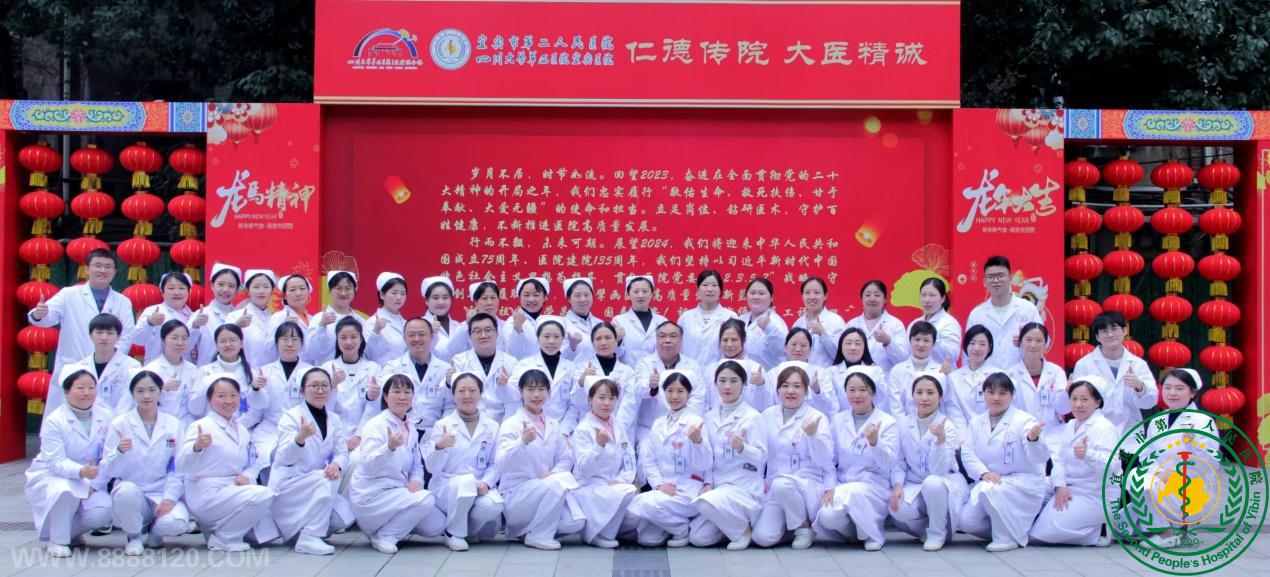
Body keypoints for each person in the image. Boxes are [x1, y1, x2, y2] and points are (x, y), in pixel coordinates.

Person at [348, 374, 448, 553]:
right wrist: (389, 448)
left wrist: (417, 480)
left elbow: (417, 464)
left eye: (407, 392)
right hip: (373, 494)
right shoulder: (375, 425)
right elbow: (368, 465)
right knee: (426, 499)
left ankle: (391, 526)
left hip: (397, 493)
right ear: (386, 397)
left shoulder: (411, 428)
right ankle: (386, 536)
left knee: (437, 525)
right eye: (396, 391)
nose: (402, 397)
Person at [178, 374, 277, 552]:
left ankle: (218, 530)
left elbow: (252, 461)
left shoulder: (241, 430)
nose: (228, 401)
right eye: (221, 396)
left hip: (231, 489)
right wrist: (196, 447)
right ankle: (224, 537)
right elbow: (182, 464)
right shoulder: (201, 426)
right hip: (206, 491)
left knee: (265, 521)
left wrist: (247, 476)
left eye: (233, 395)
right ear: (210, 399)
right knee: (263, 494)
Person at [25, 368, 113, 558]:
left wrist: (94, 483)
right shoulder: (55, 420)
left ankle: (70, 533)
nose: (87, 393)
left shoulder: (106, 416)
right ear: (66, 391)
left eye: (91, 387)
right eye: (80, 388)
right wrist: (81, 472)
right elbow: (55, 462)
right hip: (54, 476)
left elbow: (109, 457)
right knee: (66, 490)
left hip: (92, 477)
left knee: (103, 511)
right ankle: (58, 541)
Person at [102, 370, 191, 555]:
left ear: (160, 391)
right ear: (132, 393)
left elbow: (179, 466)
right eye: (140, 391)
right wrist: (119, 452)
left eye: (152, 390)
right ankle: (134, 536)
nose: (146, 396)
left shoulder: (173, 425)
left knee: (177, 523)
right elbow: (108, 469)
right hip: (132, 491)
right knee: (125, 492)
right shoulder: (120, 424)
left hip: (161, 491)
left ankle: (154, 534)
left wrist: (170, 497)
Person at [958, 372, 1049, 552]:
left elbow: (1040, 457)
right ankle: (1013, 529)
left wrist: (1033, 440)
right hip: (991, 480)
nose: (996, 398)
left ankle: (1005, 538)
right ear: (984, 394)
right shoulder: (976, 422)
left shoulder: (1024, 420)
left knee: (988, 489)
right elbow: (968, 453)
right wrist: (983, 473)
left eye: (1002, 393)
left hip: (1022, 483)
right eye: (991, 392)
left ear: (1012, 395)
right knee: (966, 521)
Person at [28, 248, 135, 401]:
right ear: (86, 269)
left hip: (109, 369)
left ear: (114, 272)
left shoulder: (123, 302)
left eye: (108, 266)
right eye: (97, 265)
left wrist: (110, 360)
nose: (102, 270)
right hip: (74, 364)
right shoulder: (68, 294)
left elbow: (126, 335)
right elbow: (48, 317)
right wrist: (39, 314)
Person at [495, 369, 585, 550]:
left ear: (548, 392)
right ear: (520, 392)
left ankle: (526, 532)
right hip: (518, 493)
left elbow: (566, 458)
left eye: (542, 389)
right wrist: (521, 442)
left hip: (547, 488)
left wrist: (553, 474)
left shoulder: (553, 424)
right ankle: (540, 535)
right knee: (561, 481)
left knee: (575, 523)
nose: (536, 395)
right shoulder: (511, 424)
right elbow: (501, 463)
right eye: (530, 389)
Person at [269, 367, 355, 555]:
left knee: (345, 517)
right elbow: (284, 458)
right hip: (290, 484)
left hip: (314, 482)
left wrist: (337, 464)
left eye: (325, 386)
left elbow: (342, 452)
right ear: (302, 391)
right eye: (314, 386)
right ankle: (309, 536)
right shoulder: (291, 417)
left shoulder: (334, 419)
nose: (320, 390)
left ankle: (301, 530)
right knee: (328, 479)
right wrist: (300, 438)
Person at [815, 367, 898, 551]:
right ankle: (854, 535)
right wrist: (830, 487)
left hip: (873, 486)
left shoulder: (887, 422)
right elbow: (830, 459)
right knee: (827, 516)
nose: (857, 395)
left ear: (873, 392)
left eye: (863, 390)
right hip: (843, 483)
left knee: (856, 492)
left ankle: (872, 534)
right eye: (851, 390)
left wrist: (875, 442)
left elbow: (888, 464)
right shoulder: (838, 420)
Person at [1029, 377, 1117, 548]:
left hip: (1093, 492)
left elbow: (1113, 466)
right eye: (1074, 399)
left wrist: (1088, 455)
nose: (1078, 405)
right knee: (1029, 490)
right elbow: (1059, 460)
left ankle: (1099, 531)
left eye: (1084, 400)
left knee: (1045, 531)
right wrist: (1060, 486)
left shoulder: (1105, 428)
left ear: (1097, 402)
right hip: (1068, 485)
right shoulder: (1071, 424)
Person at [421, 372, 505, 551]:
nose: (467, 395)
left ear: (481, 394)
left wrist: (486, 483)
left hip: (478, 486)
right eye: (461, 391)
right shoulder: (442, 425)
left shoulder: (492, 426)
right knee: (465, 481)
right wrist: (439, 447)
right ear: (453, 395)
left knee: (494, 505)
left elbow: (495, 463)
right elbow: (431, 467)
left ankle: (467, 530)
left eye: (472, 390)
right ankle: (454, 533)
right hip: (448, 487)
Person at [628, 371, 713, 547]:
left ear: (689, 394)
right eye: (669, 391)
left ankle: (680, 529)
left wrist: (698, 442)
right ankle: (678, 523)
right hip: (665, 488)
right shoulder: (658, 423)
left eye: (680, 391)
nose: (674, 396)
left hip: (688, 489)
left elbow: (705, 463)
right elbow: (650, 461)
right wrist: (659, 484)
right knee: (647, 539)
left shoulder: (696, 422)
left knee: (639, 502)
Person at [1136, 369, 1219, 548]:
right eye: (1168, 388)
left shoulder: (1202, 421)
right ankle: (1162, 527)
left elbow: (1211, 461)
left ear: (1192, 393)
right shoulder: (1158, 420)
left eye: (1180, 388)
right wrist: (1159, 472)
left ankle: (1171, 532)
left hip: (1190, 483)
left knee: (1147, 484)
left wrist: (1193, 443)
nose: (1172, 393)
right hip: (1161, 477)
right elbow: (1147, 453)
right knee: (1135, 478)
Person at [689, 361, 768, 550]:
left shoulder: (753, 417)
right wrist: (708, 482)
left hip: (743, 488)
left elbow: (762, 458)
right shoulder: (709, 417)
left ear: (744, 385)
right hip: (719, 486)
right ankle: (733, 525)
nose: (727, 386)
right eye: (722, 381)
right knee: (698, 538)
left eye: (734, 381)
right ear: (715, 384)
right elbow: (708, 459)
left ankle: (742, 531)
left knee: (704, 503)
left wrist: (743, 448)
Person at [751, 365, 832, 549]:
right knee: (762, 538)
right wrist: (760, 480)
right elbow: (760, 453)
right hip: (775, 487)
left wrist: (813, 435)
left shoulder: (816, 417)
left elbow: (825, 460)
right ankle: (791, 525)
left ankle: (804, 527)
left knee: (782, 484)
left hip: (805, 483)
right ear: (777, 389)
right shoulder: (768, 415)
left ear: (806, 391)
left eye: (797, 386)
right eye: (785, 385)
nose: (790, 391)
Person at [887, 372, 968, 552]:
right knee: (897, 508)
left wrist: (940, 441)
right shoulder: (903, 424)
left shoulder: (947, 426)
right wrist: (898, 485)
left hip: (944, 482)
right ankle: (928, 529)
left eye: (930, 393)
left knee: (932, 483)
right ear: (913, 395)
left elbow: (940, 470)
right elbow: (899, 461)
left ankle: (937, 533)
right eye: (919, 392)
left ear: (940, 397)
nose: (924, 398)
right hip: (915, 482)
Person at [569, 376, 638, 548]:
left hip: (614, 485)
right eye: (601, 397)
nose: (607, 403)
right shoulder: (583, 430)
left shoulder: (617, 425)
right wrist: (598, 446)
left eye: (612, 398)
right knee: (628, 492)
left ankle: (607, 530)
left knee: (641, 513)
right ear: (590, 400)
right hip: (590, 487)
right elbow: (584, 469)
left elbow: (629, 458)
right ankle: (600, 534)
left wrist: (622, 479)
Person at [1071, 312, 1159, 433]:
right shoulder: (1084, 365)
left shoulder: (1138, 364)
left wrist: (1140, 386)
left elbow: (1150, 402)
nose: (1110, 335)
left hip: (1130, 431)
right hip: (1094, 431)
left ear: (1124, 331)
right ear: (1097, 337)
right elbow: (1077, 402)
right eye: (1104, 331)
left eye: (1114, 329)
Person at [255, 321, 315, 478]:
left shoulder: (310, 372)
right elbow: (257, 405)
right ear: (276, 343)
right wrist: (256, 389)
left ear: (301, 343)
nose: (289, 344)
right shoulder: (264, 371)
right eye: (285, 339)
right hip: (271, 428)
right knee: (266, 458)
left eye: (295, 339)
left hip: (300, 427)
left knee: (299, 460)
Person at [376, 318, 452, 439]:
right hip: (400, 433)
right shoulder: (392, 367)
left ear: (432, 336)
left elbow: (450, 404)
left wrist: (441, 430)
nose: (416, 339)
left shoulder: (445, 369)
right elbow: (383, 398)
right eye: (411, 335)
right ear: (404, 338)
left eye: (421, 334)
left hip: (435, 434)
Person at [631, 321, 704, 442]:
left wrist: (684, 423)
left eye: (673, 336)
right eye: (662, 336)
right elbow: (638, 390)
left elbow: (697, 399)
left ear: (681, 340)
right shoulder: (644, 363)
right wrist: (651, 385)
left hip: (684, 428)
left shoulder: (692, 366)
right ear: (656, 339)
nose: (667, 340)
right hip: (649, 429)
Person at [966, 256, 1043, 369]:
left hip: (1021, 374)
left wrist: (1027, 341)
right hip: (987, 376)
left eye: (1000, 275)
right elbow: (968, 351)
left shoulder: (1028, 309)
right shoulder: (977, 314)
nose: (996, 281)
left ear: (1010, 278)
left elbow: (1044, 342)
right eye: (991, 277)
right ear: (984, 282)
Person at [57, 313, 140, 414]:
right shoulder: (79, 367)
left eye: (110, 333)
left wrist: (113, 421)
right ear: (90, 335)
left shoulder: (132, 367)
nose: (104, 337)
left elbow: (128, 402)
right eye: (99, 332)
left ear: (118, 337)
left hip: (120, 421)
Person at [510, 317, 581, 431]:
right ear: (538, 338)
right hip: (531, 428)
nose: (551, 341)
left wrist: (564, 431)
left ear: (563, 339)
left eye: (556, 337)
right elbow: (514, 397)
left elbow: (574, 405)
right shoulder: (524, 365)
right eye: (546, 336)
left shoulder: (571, 368)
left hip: (562, 429)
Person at [1005, 323, 1069, 449]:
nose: (1033, 345)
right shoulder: (1010, 374)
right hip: (1021, 435)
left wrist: (1067, 393)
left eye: (1039, 340)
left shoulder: (1056, 372)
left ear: (1046, 344)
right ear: (1020, 343)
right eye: (1028, 340)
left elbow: (1063, 409)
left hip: (1053, 436)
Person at [888, 321, 964, 423]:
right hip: (904, 426)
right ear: (910, 341)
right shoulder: (897, 370)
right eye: (917, 339)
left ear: (933, 343)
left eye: (926, 340)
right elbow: (895, 407)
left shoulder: (940, 371)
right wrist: (907, 427)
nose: (921, 344)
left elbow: (950, 404)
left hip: (935, 425)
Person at [572, 322, 638, 437]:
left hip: (620, 431)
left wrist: (614, 430)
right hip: (589, 431)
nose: (603, 343)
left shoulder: (628, 372)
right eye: (598, 339)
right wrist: (582, 382)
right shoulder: (582, 368)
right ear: (592, 343)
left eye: (608, 338)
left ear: (616, 341)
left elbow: (629, 406)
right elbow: (576, 402)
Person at [192, 324, 266, 426]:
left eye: (232, 340)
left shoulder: (252, 373)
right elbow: (195, 409)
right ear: (216, 346)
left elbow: (258, 409)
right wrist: (205, 384)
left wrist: (237, 426)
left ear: (241, 344)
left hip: (245, 428)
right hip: (214, 428)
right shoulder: (206, 371)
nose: (228, 344)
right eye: (223, 341)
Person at [450, 312, 518, 421]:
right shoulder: (459, 361)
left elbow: (515, 398)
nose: (483, 336)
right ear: (470, 336)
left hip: (502, 421)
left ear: (497, 334)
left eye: (488, 330)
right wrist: (448, 382)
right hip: (470, 421)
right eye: (477, 331)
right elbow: (453, 398)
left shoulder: (511, 362)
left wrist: (505, 386)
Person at [324, 317, 382, 443]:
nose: (348, 342)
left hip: (365, 437)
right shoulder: (327, 368)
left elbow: (373, 407)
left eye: (353, 337)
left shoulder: (374, 369)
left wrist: (359, 436)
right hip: (333, 437)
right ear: (337, 340)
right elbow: (323, 407)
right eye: (343, 337)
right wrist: (333, 386)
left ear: (361, 339)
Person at [137, 320, 201, 425]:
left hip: (188, 425)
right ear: (163, 341)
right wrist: (163, 389)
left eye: (184, 338)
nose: (180, 343)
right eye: (174, 338)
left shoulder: (193, 369)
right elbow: (142, 402)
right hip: (162, 425)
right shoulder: (151, 370)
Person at [130, 272, 200, 364]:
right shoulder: (152, 311)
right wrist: (149, 323)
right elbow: (138, 340)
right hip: (157, 367)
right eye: (171, 288)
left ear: (189, 291)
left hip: (186, 367)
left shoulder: (195, 316)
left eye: (182, 288)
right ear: (162, 292)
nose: (177, 292)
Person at [844, 280, 910, 374]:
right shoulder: (852, 324)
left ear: (885, 299)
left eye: (877, 295)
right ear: (861, 299)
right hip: (856, 379)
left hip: (885, 380)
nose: (872, 299)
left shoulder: (895, 324)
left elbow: (903, 360)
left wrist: (888, 342)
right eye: (868, 295)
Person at [301, 270, 364, 364]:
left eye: (348, 288)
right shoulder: (318, 319)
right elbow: (312, 353)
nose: (343, 293)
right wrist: (322, 326)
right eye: (338, 288)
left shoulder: (360, 320)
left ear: (354, 291)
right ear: (330, 290)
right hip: (325, 371)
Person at [822, 328, 886, 419]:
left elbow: (881, 401)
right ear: (841, 346)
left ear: (865, 347)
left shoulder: (876, 370)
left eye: (858, 343)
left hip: (872, 420)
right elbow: (831, 405)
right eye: (848, 343)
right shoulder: (830, 372)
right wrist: (840, 422)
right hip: (841, 422)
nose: (853, 348)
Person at [702, 319, 764, 413]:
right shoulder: (711, 370)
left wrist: (761, 385)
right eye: (725, 340)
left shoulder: (756, 369)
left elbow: (763, 406)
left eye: (734, 340)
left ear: (744, 340)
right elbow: (705, 404)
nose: (729, 344)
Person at [679, 269, 739, 367]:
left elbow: (737, 349)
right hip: (689, 372)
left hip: (720, 372)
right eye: (705, 285)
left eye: (714, 285)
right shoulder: (686, 317)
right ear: (698, 290)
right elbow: (679, 348)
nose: (709, 289)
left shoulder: (730, 316)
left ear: (720, 290)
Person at [224, 269, 279, 369]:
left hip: (272, 373)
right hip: (245, 372)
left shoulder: (276, 318)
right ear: (248, 290)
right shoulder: (234, 316)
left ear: (272, 291)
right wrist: (237, 326)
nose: (261, 291)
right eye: (256, 287)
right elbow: (224, 343)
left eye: (266, 287)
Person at [946, 325, 999, 428]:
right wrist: (963, 434)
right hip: (961, 432)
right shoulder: (953, 378)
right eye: (972, 343)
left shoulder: (998, 375)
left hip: (991, 430)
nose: (976, 348)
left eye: (982, 344)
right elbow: (954, 411)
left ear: (989, 348)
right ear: (966, 345)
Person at [612, 275, 668, 365]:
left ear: (652, 294)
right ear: (628, 295)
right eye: (636, 292)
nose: (640, 295)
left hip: (656, 372)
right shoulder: (619, 321)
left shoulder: (663, 321)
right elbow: (614, 354)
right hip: (629, 372)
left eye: (645, 291)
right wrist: (618, 341)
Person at [791, 277, 847, 367]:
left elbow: (841, 355)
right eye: (807, 293)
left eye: (816, 293)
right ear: (802, 296)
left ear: (825, 296)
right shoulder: (798, 324)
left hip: (827, 374)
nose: (812, 297)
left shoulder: (836, 321)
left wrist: (823, 334)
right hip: (801, 373)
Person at [443, 280, 506, 360]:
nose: (489, 303)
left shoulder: (506, 326)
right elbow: (453, 349)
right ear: (476, 302)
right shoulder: (464, 326)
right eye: (484, 298)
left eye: (493, 298)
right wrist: (468, 325)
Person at [195, 263, 242, 366]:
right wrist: (194, 326)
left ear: (237, 290)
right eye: (221, 284)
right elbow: (186, 348)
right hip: (206, 371)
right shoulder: (201, 314)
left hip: (236, 370)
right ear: (212, 286)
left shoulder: (241, 316)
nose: (225, 290)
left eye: (231, 286)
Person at [737, 277, 789, 370]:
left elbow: (782, 351)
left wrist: (769, 328)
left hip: (767, 375)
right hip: (741, 373)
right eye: (752, 293)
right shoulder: (740, 320)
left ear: (771, 297)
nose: (756, 297)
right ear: (746, 296)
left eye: (761, 293)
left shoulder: (776, 322)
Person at [908, 278, 962, 366]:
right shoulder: (914, 323)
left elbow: (953, 355)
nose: (927, 300)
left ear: (942, 298)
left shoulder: (949, 323)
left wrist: (933, 338)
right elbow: (907, 353)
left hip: (941, 372)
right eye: (923, 295)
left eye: (932, 295)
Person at [362, 273, 410, 363]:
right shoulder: (373, 322)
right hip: (381, 371)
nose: (399, 297)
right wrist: (376, 331)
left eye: (402, 293)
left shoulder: (406, 324)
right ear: (381, 295)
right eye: (394, 293)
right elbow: (367, 354)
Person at [502, 277, 551, 360]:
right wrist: (517, 328)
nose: (531, 299)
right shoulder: (512, 321)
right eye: (526, 295)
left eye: (536, 295)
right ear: (520, 297)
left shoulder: (548, 322)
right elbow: (511, 354)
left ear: (544, 297)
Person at [561, 277, 605, 362]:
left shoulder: (600, 323)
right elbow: (557, 358)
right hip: (573, 370)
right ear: (569, 298)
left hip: (599, 370)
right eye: (577, 296)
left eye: (586, 295)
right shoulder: (562, 325)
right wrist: (572, 346)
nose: (583, 299)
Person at [419, 276, 460, 362]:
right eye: (435, 298)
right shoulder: (419, 325)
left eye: (445, 297)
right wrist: (430, 334)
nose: (441, 302)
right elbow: (417, 355)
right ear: (426, 300)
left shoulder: (458, 326)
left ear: (451, 300)